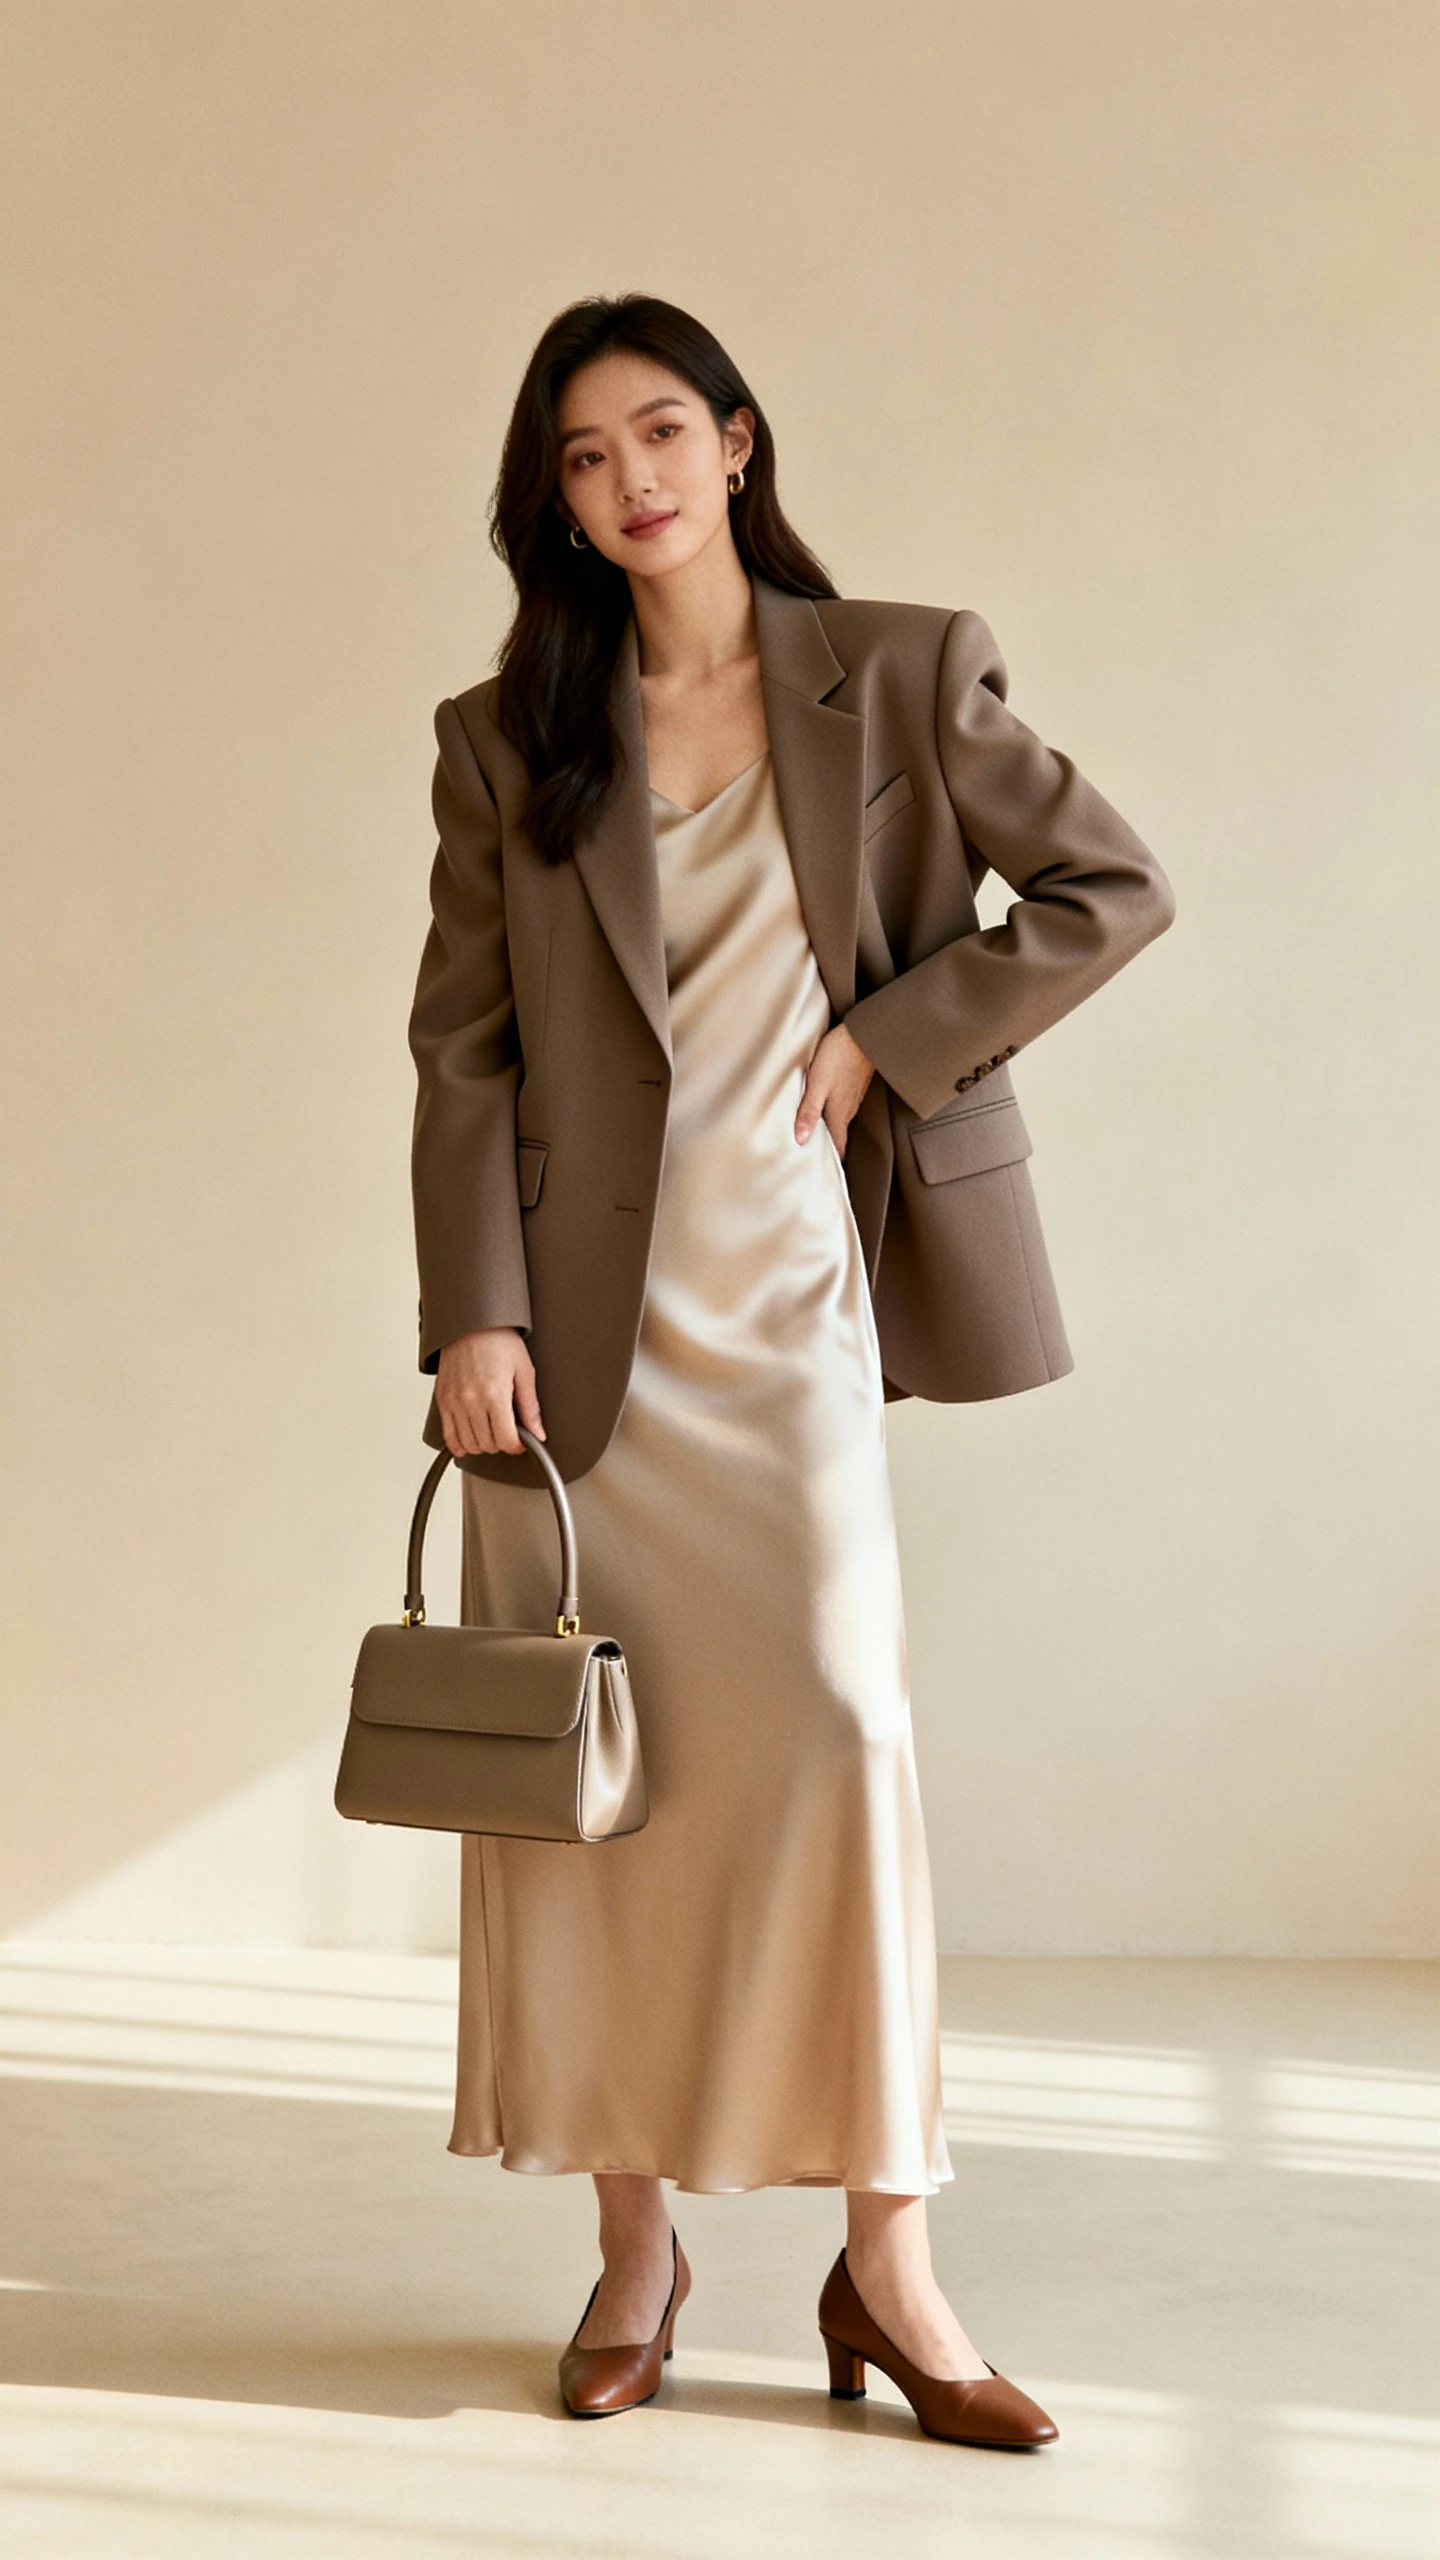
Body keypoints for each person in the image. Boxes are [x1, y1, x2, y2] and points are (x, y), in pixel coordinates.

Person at [407, 294, 1175, 2448]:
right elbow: (463, 1046)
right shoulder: (506, 735)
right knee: (600, 1785)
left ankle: (891, 2262)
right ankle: (634, 2251)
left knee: (842, 1726)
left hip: (791, 1301)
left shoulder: (901, 672)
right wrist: (471, 1312)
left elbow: (1109, 884)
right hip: (575, 1346)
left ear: (737, 443)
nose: (631, 479)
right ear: (556, 502)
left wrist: (887, 1037)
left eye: (662, 431)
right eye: (584, 456)